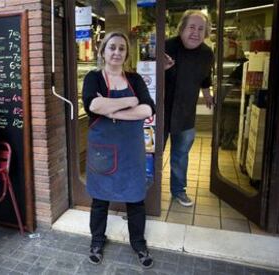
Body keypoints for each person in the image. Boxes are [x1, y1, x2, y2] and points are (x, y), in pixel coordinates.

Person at [82, 31, 155, 268]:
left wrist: (112, 111)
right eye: (112, 47)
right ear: (102, 51)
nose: (117, 52)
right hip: (103, 148)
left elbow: (147, 109)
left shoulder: (134, 79)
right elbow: (93, 104)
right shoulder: (94, 78)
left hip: (131, 151)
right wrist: (129, 102)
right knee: (100, 199)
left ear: (126, 53)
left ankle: (139, 243)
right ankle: (96, 241)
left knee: (135, 199)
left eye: (122, 48)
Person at [164, 10, 215, 207]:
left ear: (206, 33)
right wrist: (161, 68)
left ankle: (178, 191)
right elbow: (146, 73)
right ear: (182, 28)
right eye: (191, 27)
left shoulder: (207, 53)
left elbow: (205, 77)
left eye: (201, 29)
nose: (196, 32)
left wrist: (208, 93)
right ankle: (146, 192)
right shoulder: (166, 46)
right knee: (152, 153)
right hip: (160, 111)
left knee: (180, 155)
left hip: (186, 113)